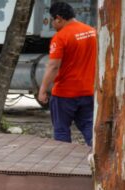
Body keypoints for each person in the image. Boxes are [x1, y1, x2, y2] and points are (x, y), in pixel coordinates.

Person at [38, 2, 96, 146]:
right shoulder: (91, 32)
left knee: (61, 130)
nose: (52, 23)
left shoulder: (61, 37)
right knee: (89, 127)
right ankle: (98, 157)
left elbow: (53, 66)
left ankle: (62, 164)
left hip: (65, 93)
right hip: (88, 90)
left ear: (58, 18)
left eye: (52, 20)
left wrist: (43, 90)